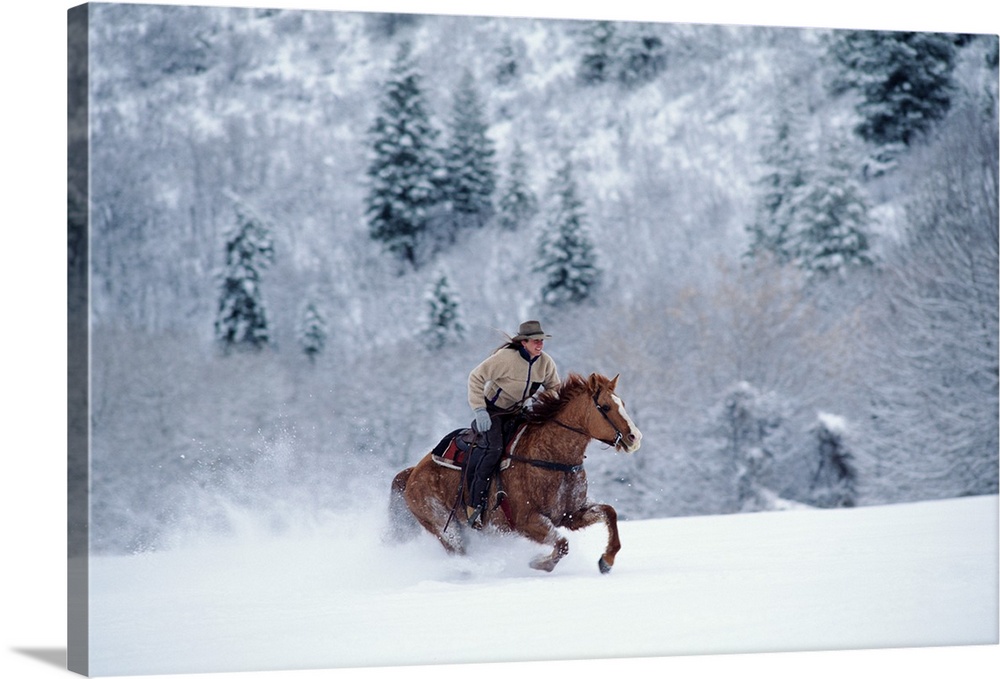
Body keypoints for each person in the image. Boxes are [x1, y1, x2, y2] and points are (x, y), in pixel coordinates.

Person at [464, 320, 561, 528]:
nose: (540, 345)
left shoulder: (545, 362)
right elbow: (476, 377)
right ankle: (475, 506)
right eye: (536, 341)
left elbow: (554, 387)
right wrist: (480, 410)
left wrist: (539, 403)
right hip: (494, 412)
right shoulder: (505, 358)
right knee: (494, 449)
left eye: (542, 341)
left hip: (520, 412)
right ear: (524, 342)